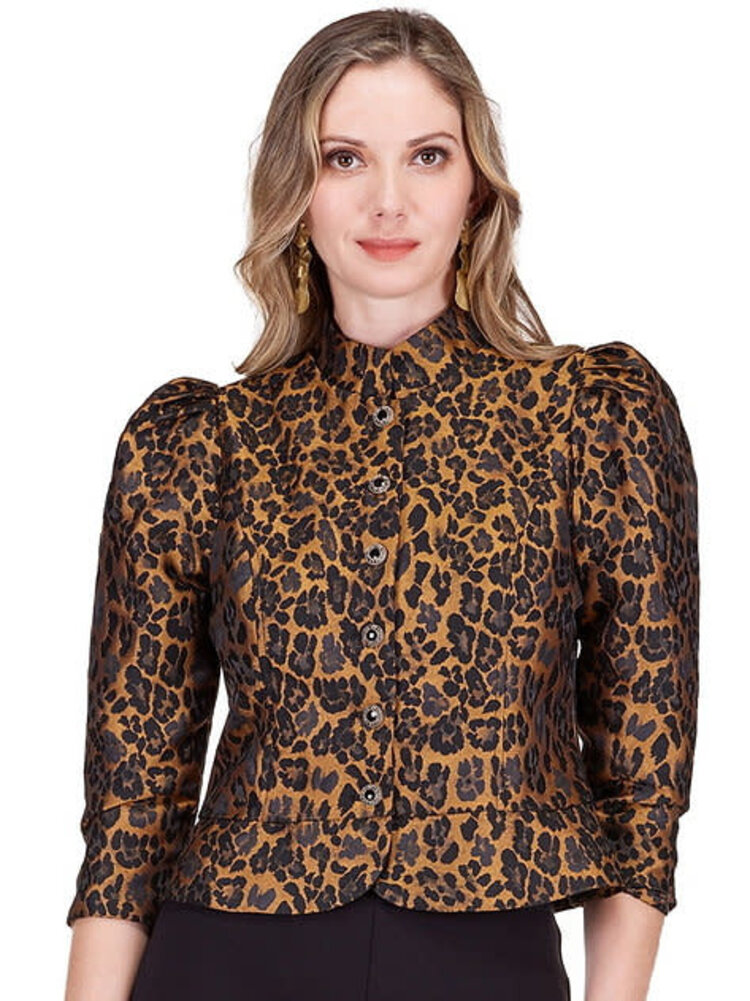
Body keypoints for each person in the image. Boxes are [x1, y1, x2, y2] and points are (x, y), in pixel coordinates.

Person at [63, 8, 700, 1001]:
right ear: (298, 190)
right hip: (223, 957)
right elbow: (131, 810)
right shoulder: (196, 444)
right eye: (345, 158)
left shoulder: (592, 418)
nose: (388, 201)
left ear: (476, 186)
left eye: (428, 156)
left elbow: (642, 777)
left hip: (484, 966)